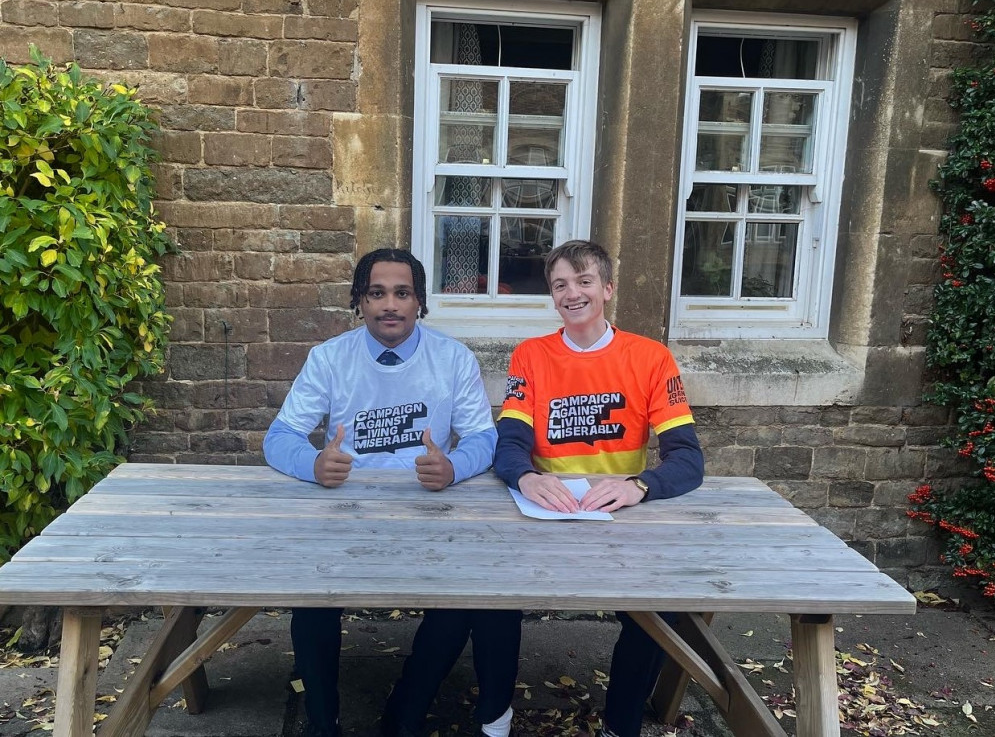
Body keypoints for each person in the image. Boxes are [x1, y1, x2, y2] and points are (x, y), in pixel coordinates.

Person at [263, 248, 521, 737]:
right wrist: (314, 464)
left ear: (420, 301)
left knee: (464, 600)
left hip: (429, 509)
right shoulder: (330, 358)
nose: (390, 305)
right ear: (359, 301)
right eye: (376, 293)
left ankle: (405, 710)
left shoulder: (452, 358)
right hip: (344, 510)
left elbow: (484, 438)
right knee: (312, 600)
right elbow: (279, 438)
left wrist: (452, 467)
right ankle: (323, 720)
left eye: (402, 293)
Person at [493, 240, 704, 737]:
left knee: (661, 610)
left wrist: (640, 486)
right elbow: (508, 445)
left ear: (607, 289)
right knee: (491, 599)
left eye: (584, 281)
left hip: (617, 518)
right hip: (545, 513)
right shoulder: (530, 355)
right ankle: (495, 715)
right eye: (560, 284)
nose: (572, 293)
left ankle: (621, 724)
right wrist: (526, 476)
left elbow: (688, 460)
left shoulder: (651, 358)